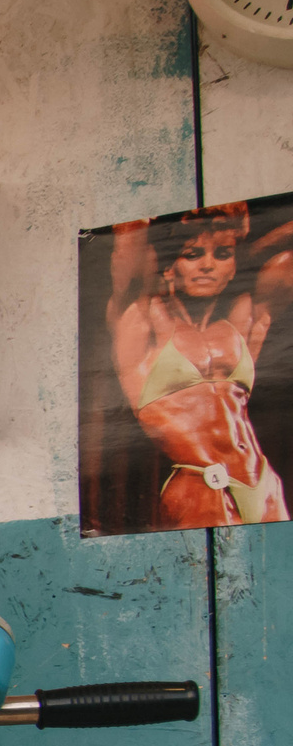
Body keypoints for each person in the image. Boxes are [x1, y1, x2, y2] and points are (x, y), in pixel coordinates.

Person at [106, 203, 293, 528]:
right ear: (168, 267)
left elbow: (285, 262)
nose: (207, 266)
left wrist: (237, 240)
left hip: (264, 484)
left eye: (222, 255)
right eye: (192, 255)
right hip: (201, 483)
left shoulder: (240, 324)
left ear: (234, 267)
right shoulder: (144, 317)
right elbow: (129, 245)